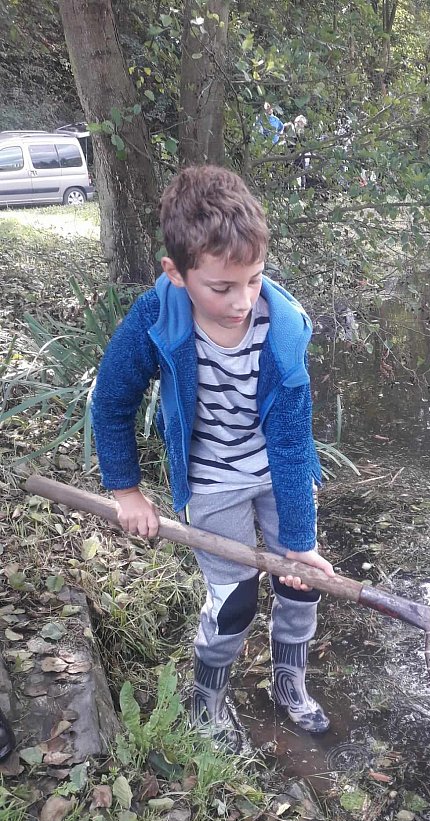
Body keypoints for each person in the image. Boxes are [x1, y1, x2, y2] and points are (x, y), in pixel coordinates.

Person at [92, 165, 335, 752]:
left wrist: (299, 542)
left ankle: (290, 683)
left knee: (303, 582)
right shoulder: (157, 320)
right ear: (175, 273)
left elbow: (292, 443)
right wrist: (127, 491)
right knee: (237, 599)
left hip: (278, 470)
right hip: (210, 477)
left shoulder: (284, 332)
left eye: (253, 281)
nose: (241, 302)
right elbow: (110, 402)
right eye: (221, 288)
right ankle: (208, 698)